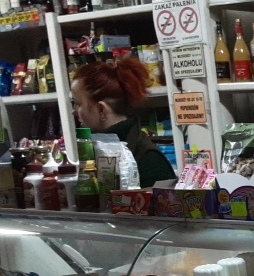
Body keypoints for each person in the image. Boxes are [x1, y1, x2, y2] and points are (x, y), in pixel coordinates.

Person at [70, 59, 176, 188]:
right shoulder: (93, 149)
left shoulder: (149, 160)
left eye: (78, 103)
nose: (74, 112)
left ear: (101, 109)